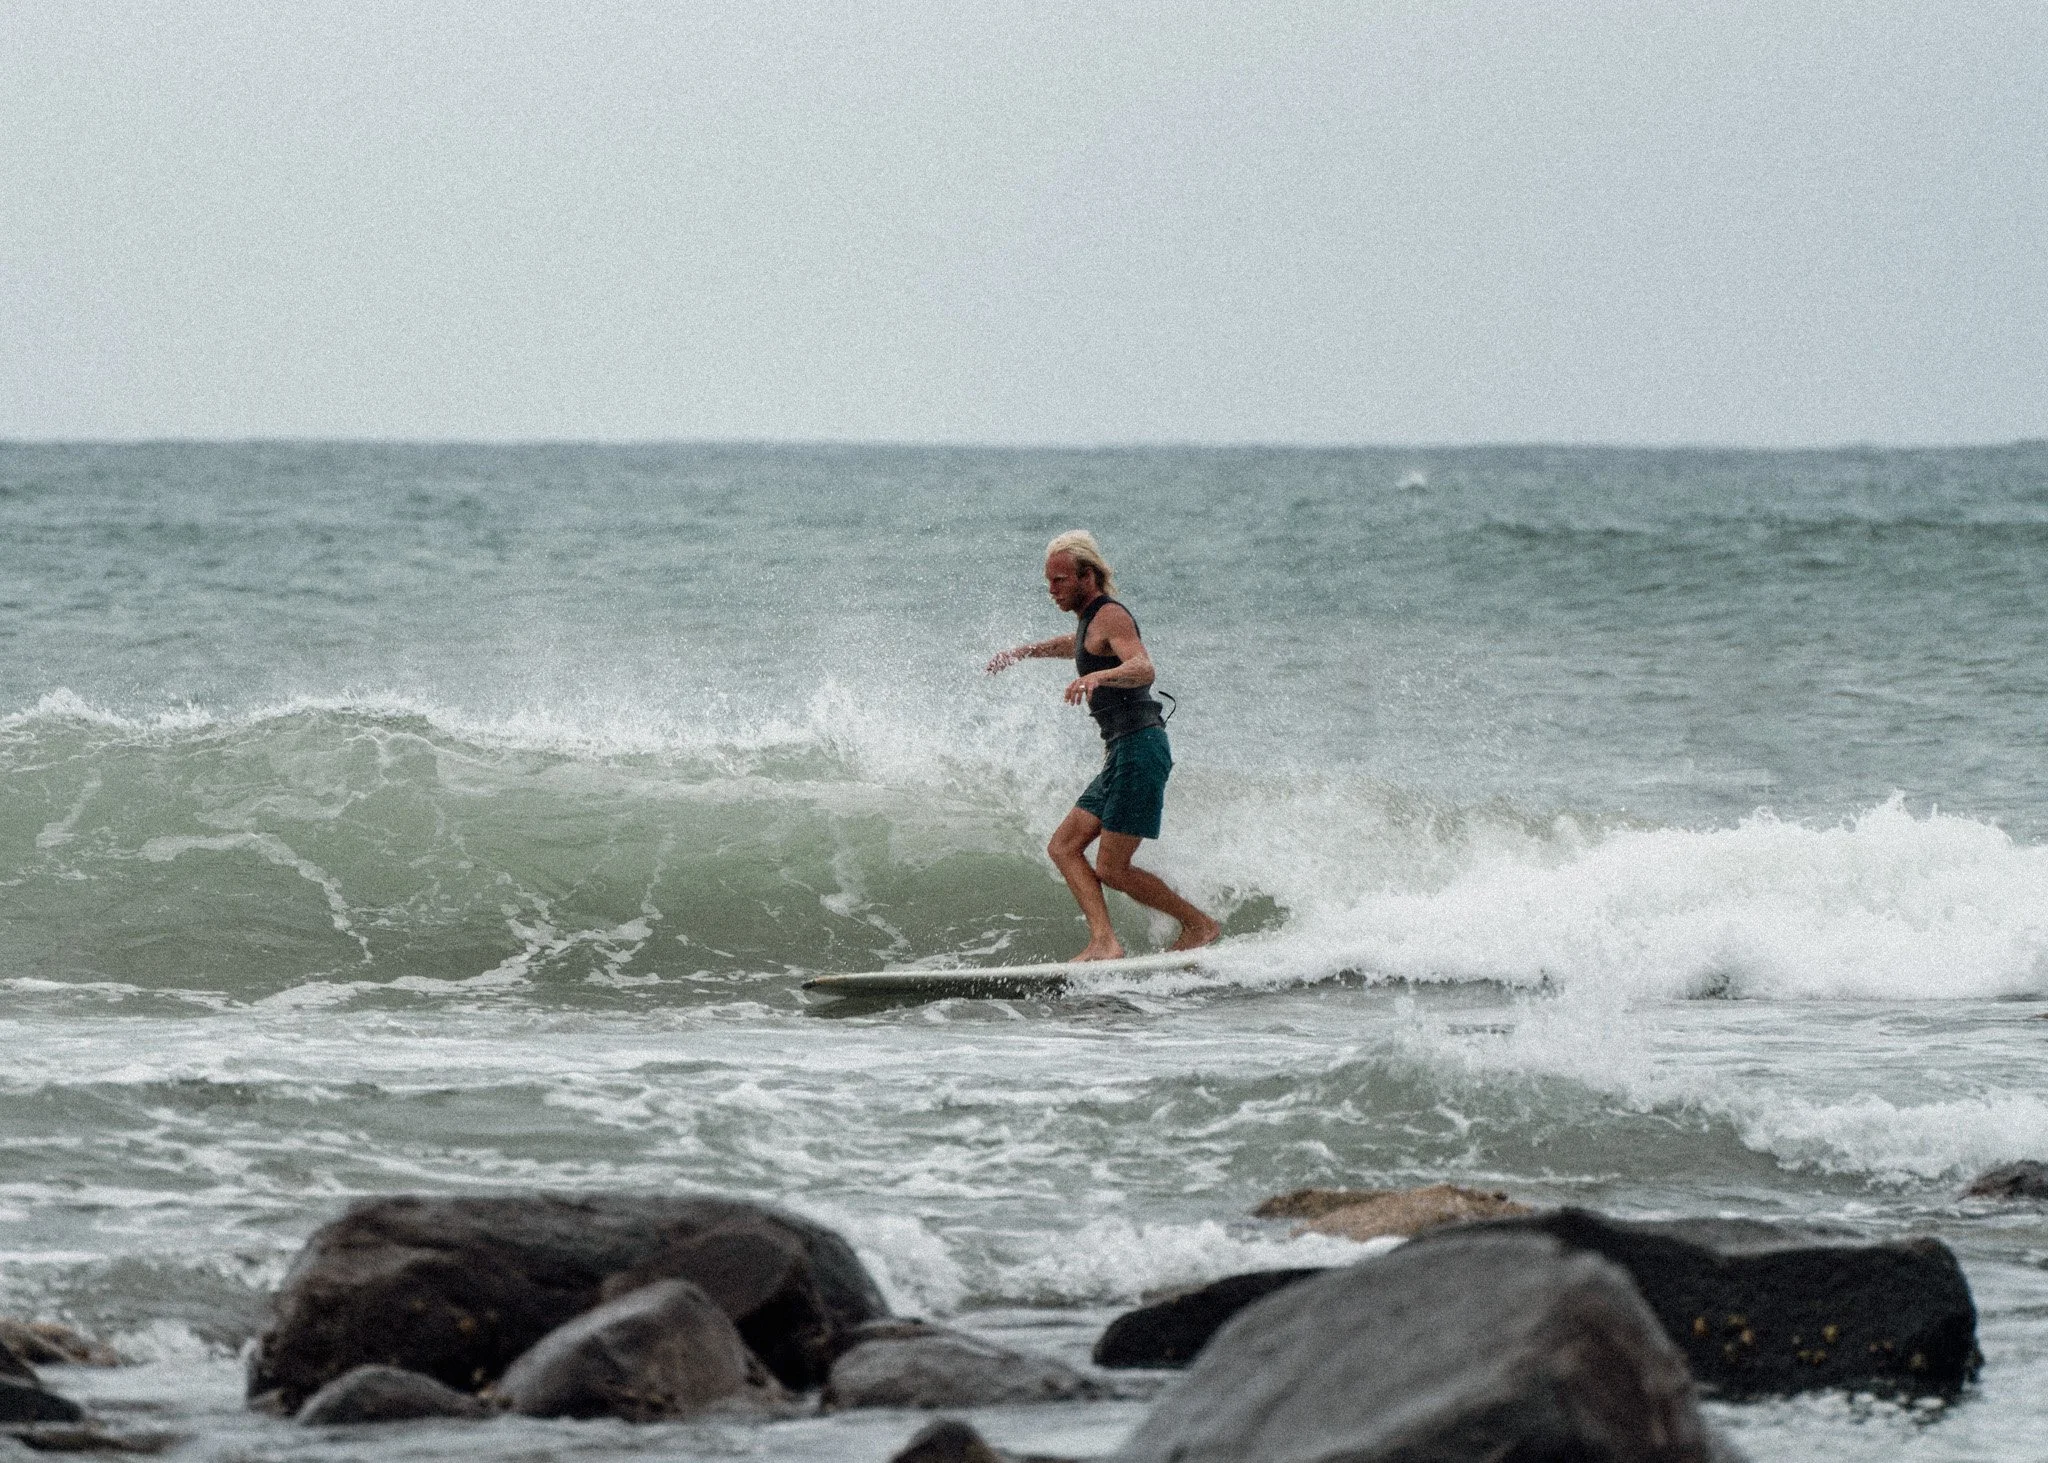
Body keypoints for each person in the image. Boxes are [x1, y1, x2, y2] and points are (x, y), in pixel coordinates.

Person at [986, 531, 1221, 960]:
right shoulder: (1089, 621)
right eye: (1048, 581)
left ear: (1088, 576)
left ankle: (1199, 924)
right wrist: (1025, 652)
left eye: (1060, 580)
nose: (1052, 590)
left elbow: (1143, 668)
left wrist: (1100, 676)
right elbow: (1077, 647)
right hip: (1120, 753)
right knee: (1063, 848)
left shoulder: (1111, 615)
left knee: (1112, 868)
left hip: (1141, 748)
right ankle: (1104, 941)